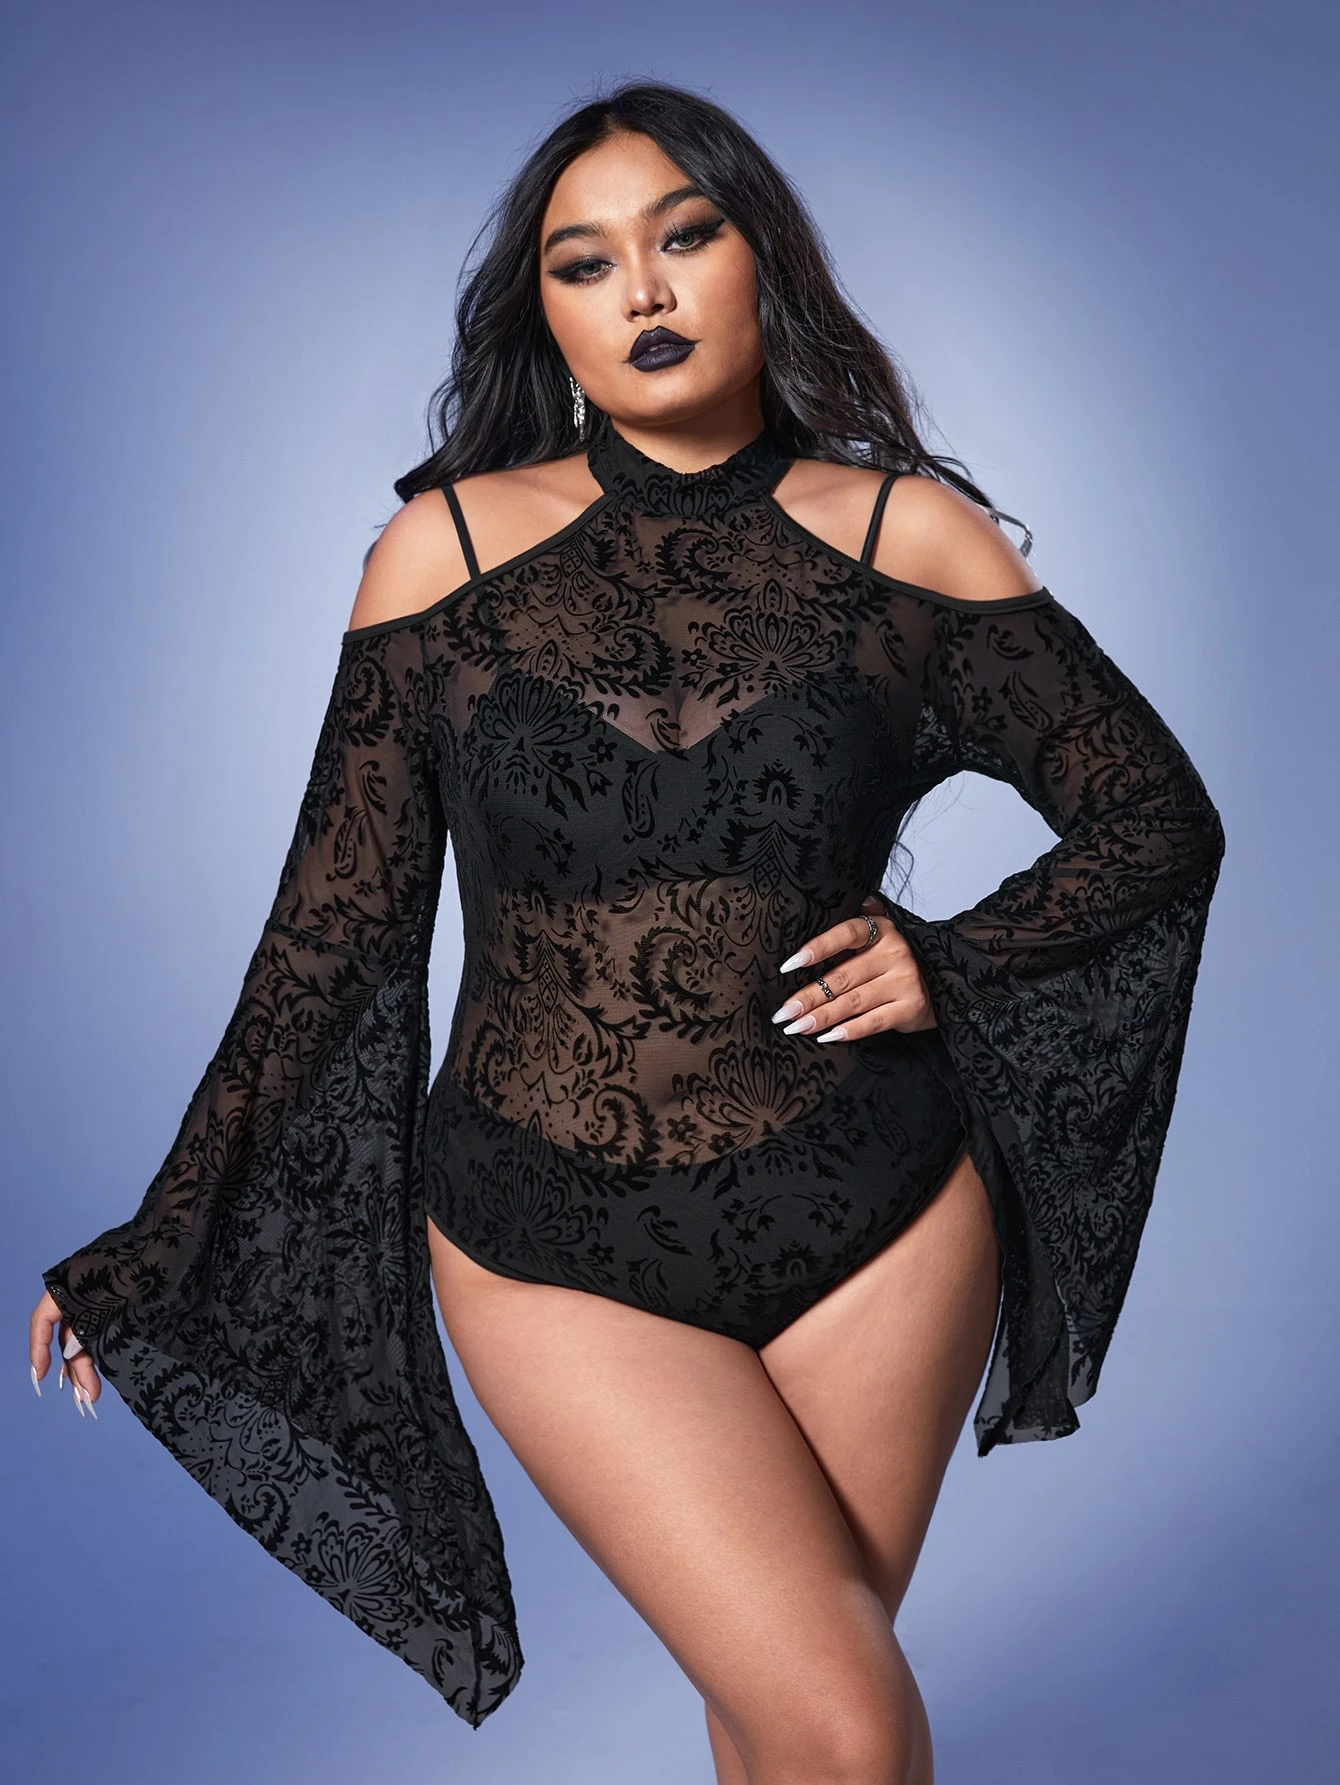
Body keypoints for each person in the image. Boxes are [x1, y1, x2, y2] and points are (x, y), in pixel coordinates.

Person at [29, 81, 1224, 1785]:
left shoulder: (906, 538)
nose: (644, 292)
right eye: (584, 264)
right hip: (545, 1227)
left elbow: (1156, 820)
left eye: (685, 237)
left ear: (761, 260)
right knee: (838, 1722)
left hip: (880, 1215)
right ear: (548, 315)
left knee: (785, 1724)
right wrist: (171, 1231)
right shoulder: (440, 555)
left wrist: (951, 961)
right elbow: (333, 936)